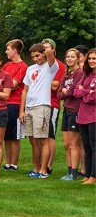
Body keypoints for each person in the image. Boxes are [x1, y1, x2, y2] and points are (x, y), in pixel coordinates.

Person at [19, 43, 59, 179]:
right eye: (33, 56)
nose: (35, 59)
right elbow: (25, 90)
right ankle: (36, 169)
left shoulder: (50, 67)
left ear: (43, 53)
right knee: (33, 140)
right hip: (29, 107)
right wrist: (22, 110)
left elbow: (51, 57)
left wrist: (47, 49)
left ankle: (43, 170)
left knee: (43, 139)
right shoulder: (30, 69)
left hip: (42, 106)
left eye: (37, 55)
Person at [58, 48, 84, 180]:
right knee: (66, 144)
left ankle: (74, 173)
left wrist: (66, 91)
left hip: (75, 110)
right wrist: (65, 91)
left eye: (72, 57)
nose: (69, 59)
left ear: (78, 59)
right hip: (66, 110)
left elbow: (72, 92)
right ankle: (68, 171)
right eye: (67, 56)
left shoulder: (80, 73)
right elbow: (59, 94)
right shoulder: (66, 75)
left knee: (74, 144)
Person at [2, 39, 28, 171]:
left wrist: (2, 86)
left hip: (15, 104)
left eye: (8, 49)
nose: (6, 51)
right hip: (3, 103)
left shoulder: (22, 66)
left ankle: (14, 163)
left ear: (15, 50)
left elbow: (12, 85)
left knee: (14, 135)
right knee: (6, 135)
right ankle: (7, 163)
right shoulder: (6, 65)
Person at [42, 39, 66, 175]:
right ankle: (41, 163)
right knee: (41, 136)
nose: (44, 51)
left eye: (47, 48)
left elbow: (55, 86)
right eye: (43, 48)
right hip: (40, 104)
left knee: (50, 135)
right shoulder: (41, 66)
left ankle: (49, 165)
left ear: (53, 50)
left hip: (52, 104)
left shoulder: (59, 66)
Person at [74, 48, 96, 184]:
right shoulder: (85, 75)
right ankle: (87, 175)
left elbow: (94, 97)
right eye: (90, 58)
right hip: (82, 116)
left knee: (94, 147)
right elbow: (76, 92)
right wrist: (89, 92)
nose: (92, 61)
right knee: (86, 146)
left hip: (94, 116)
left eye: (94, 58)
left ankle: (94, 176)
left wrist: (86, 93)